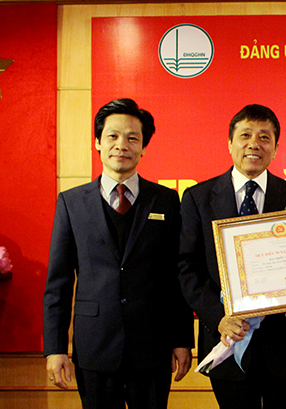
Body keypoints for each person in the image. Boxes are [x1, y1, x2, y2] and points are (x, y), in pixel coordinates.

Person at [43, 98, 195, 409]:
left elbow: (175, 277)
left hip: (152, 346)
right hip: (95, 345)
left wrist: (182, 339)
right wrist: (55, 348)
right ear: (97, 142)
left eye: (132, 138)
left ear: (143, 147)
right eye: (112, 136)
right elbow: (58, 283)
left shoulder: (166, 201)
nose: (121, 145)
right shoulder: (71, 203)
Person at [178, 104, 286, 409]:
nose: (254, 144)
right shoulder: (198, 198)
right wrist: (219, 317)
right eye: (245, 135)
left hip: (285, 348)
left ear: (276, 148)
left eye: (264, 137)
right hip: (228, 341)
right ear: (230, 143)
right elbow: (187, 268)